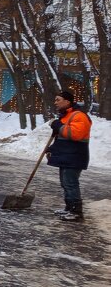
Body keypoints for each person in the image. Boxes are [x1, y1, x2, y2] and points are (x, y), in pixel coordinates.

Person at [46, 89, 91, 222]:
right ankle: (69, 208)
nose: (55, 103)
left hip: (75, 156)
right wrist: (52, 149)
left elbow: (74, 135)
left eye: (58, 100)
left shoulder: (79, 116)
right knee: (65, 183)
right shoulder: (65, 116)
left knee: (71, 183)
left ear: (67, 101)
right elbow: (62, 138)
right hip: (66, 156)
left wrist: (57, 125)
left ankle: (76, 212)